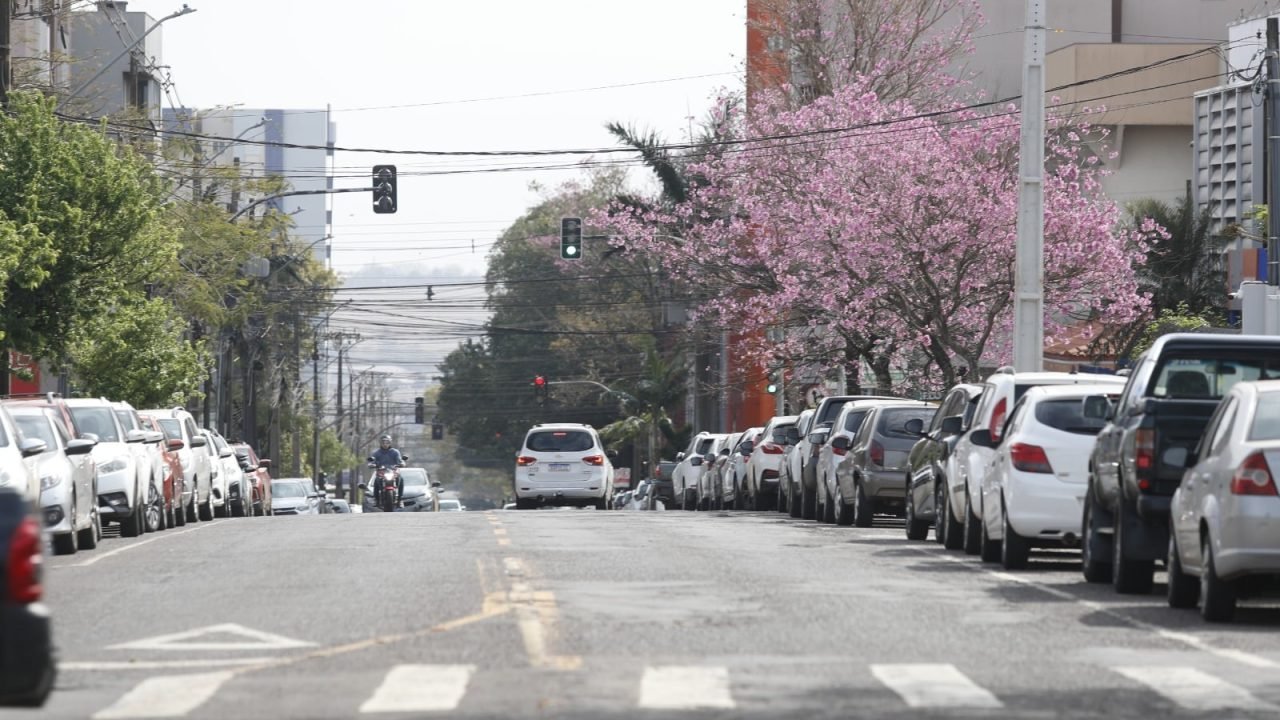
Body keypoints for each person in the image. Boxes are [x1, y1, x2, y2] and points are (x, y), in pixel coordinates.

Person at [369, 435, 404, 507]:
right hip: (381, 472)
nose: (385, 444)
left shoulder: (395, 452)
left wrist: (402, 463)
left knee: (401, 479)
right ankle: (377, 500)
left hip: (393, 471)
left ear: (390, 443)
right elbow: (372, 461)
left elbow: (399, 460)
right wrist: (372, 464)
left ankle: (400, 499)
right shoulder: (376, 453)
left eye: (387, 442)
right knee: (376, 481)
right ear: (380, 443)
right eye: (383, 442)